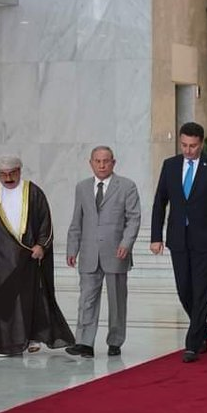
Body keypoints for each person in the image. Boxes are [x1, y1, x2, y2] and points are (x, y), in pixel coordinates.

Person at [0, 155, 74, 357]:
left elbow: (46, 222)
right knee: (3, 302)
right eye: (3, 174)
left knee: (30, 299)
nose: (8, 178)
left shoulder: (33, 192)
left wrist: (41, 245)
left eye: (12, 173)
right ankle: (6, 344)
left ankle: (32, 337)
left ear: (19, 171)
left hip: (28, 258)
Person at [150, 122, 207, 363]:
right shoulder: (170, 165)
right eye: (184, 145)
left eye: (193, 146)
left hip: (206, 239)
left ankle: (192, 343)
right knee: (184, 289)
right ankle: (204, 330)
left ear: (201, 143)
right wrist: (156, 236)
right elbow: (160, 202)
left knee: (201, 290)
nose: (188, 150)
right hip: (178, 238)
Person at [66, 146, 141, 358]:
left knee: (117, 301)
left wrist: (126, 243)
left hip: (116, 252)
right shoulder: (82, 187)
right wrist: (72, 248)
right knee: (86, 299)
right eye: (97, 161)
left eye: (106, 161)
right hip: (89, 252)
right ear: (90, 163)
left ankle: (115, 341)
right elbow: (77, 220)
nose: (101, 165)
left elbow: (133, 218)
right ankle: (84, 343)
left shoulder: (126, 186)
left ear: (113, 163)